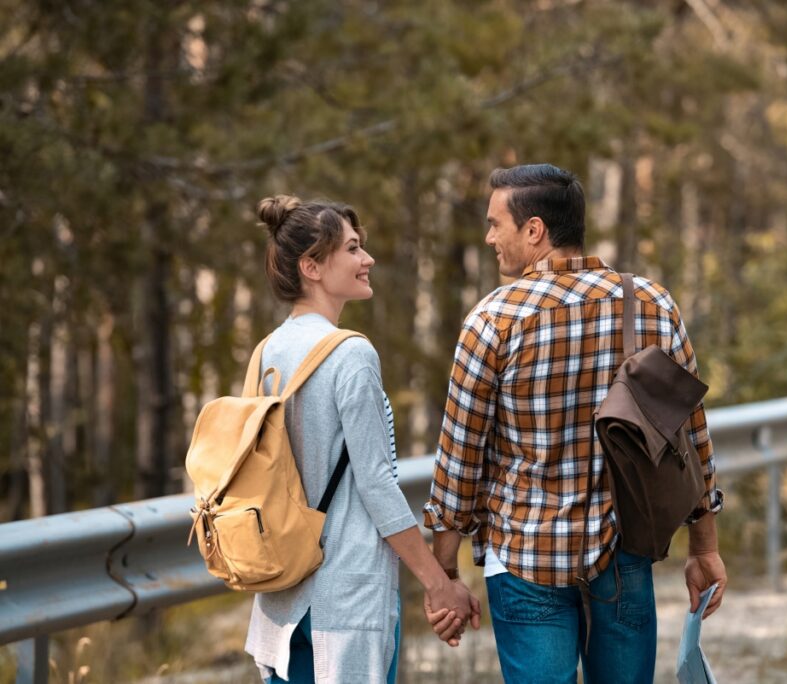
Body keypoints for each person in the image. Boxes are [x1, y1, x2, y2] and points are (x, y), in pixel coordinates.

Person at [423, 164, 726, 683]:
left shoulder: (493, 319)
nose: (489, 236)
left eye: (496, 224)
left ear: (534, 230)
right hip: (623, 552)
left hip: (524, 560)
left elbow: (460, 460)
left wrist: (445, 573)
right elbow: (690, 438)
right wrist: (705, 548)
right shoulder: (652, 303)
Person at [244, 195, 480, 684]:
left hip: (281, 595)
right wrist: (439, 584)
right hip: (346, 598)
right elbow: (376, 485)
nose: (366, 259)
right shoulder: (350, 354)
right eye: (352, 249)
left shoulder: (267, 350)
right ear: (312, 266)